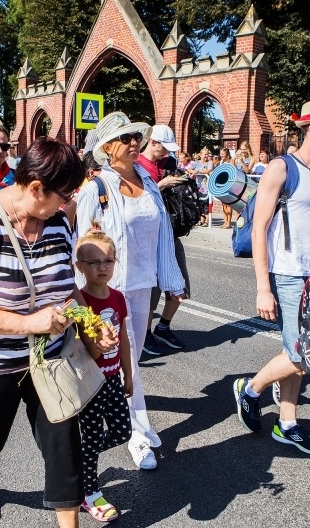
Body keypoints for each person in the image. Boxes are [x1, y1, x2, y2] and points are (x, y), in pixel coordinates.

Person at [0, 138, 112, 527]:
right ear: (36, 188)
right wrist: (26, 323)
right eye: (64, 195)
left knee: (64, 446)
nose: (68, 203)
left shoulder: (58, 222)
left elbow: (66, 286)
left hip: (51, 359)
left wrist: (91, 327)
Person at [233, 97, 310, 456]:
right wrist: (262, 288)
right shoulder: (282, 168)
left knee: (298, 351)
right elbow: (259, 230)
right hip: (285, 276)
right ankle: (251, 390)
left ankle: (287, 424)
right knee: (301, 352)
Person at [76, 111, 186, 471]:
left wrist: (171, 280)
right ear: (108, 148)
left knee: (131, 362)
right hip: (110, 292)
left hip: (142, 287)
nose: (133, 142)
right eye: (125, 138)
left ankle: (123, 421)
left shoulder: (149, 182)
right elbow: (83, 245)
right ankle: (138, 434)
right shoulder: (96, 188)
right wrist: (83, 302)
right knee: (126, 366)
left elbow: (163, 234)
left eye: (135, 136)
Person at [74, 225, 133, 523]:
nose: (102, 267)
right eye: (93, 262)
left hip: (112, 380)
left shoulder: (118, 298)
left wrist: (129, 376)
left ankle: (83, 456)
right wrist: (98, 343)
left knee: (123, 431)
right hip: (90, 383)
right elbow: (87, 351)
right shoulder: (79, 304)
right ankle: (90, 493)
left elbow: (124, 340)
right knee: (93, 436)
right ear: (80, 266)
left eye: (108, 261)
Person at [136, 125, 190, 355]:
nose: (167, 154)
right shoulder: (137, 165)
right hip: (148, 237)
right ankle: (144, 333)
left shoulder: (167, 164)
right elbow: (135, 199)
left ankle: (163, 327)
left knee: (181, 286)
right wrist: (161, 185)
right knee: (151, 291)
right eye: (164, 148)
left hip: (169, 233)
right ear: (153, 142)